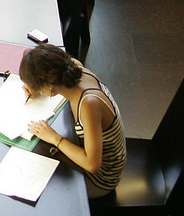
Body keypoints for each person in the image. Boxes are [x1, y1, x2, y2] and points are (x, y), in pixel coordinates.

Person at [22, 43, 125, 197]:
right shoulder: (75, 68)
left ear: (50, 86)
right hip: (91, 148)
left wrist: (54, 138)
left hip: (101, 179)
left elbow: (92, 164)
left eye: (37, 86)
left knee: (34, 173)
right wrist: (38, 89)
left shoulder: (89, 105)